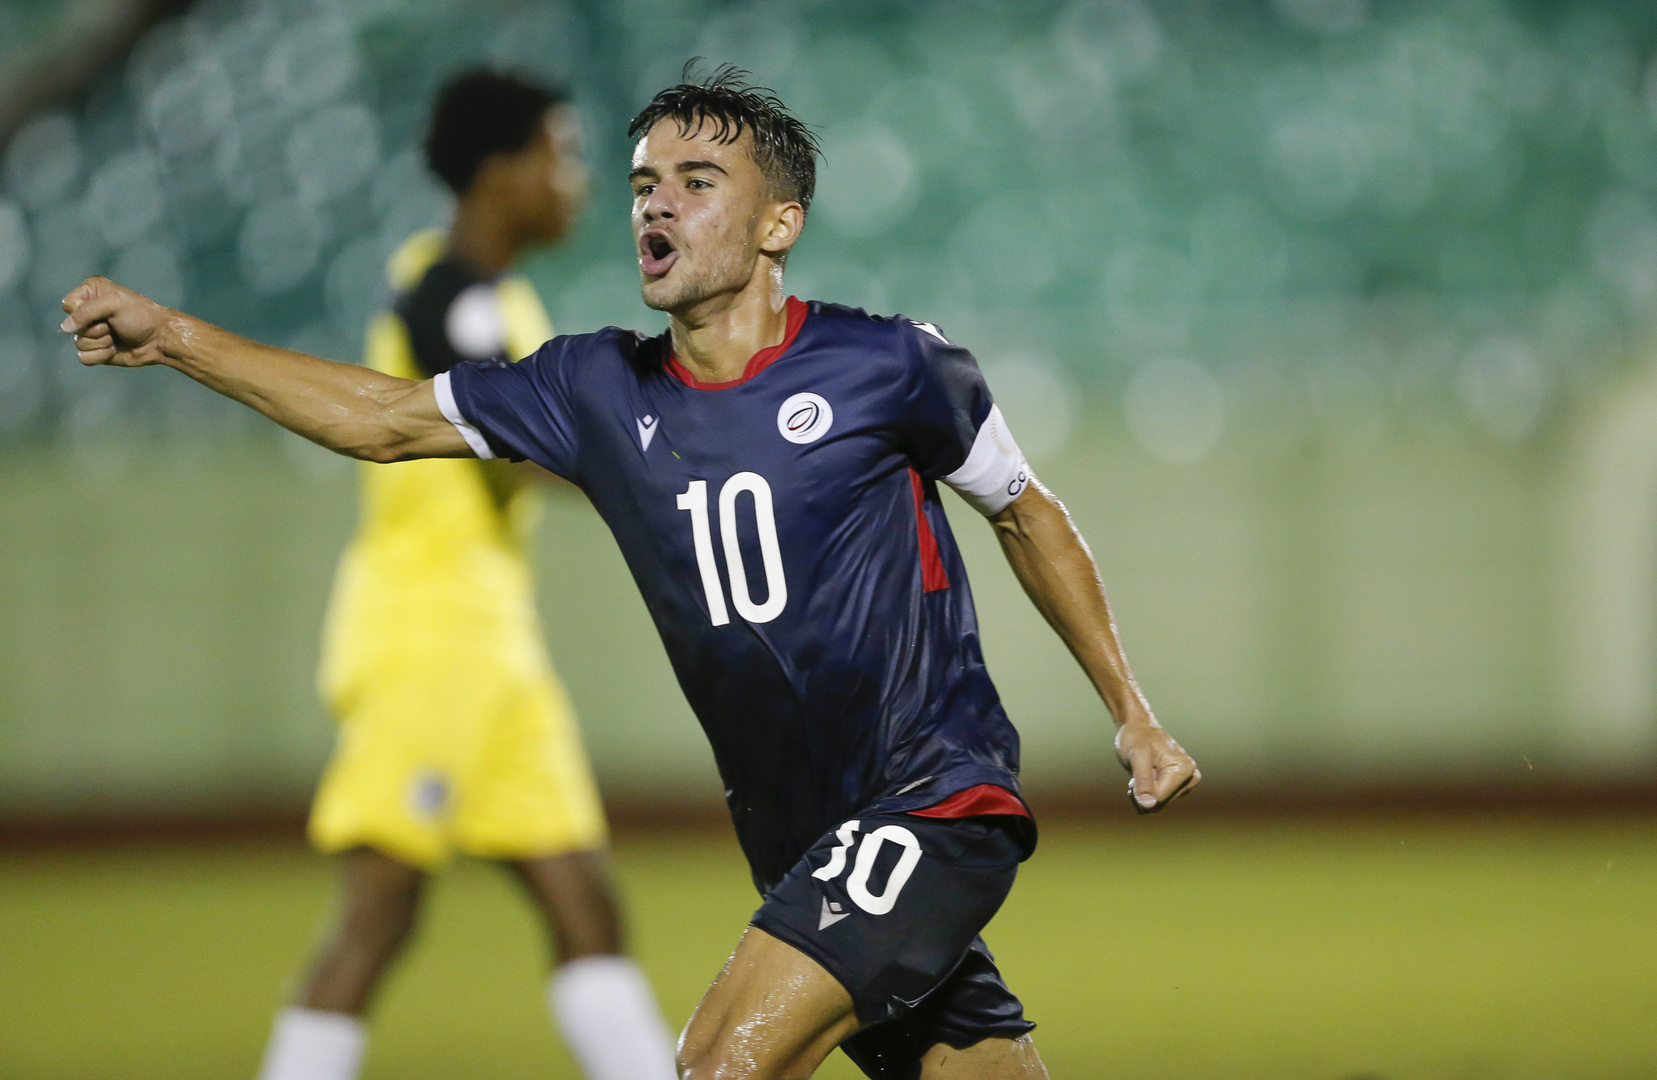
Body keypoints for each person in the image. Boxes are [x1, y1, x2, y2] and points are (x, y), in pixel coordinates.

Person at [61, 67, 1200, 1079]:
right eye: (645, 178)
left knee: (714, 1065)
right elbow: (385, 419)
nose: (654, 199)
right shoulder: (591, 389)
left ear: (777, 223)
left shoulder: (889, 363)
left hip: (934, 800)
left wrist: (1133, 716)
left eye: (697, 179)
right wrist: (176, 340)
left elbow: (1025, 512)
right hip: (804, 839)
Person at [254, 71, 678, 1080]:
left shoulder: (498, 300)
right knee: (380, 911)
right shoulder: (446, 288)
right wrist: (671, 471)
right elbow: (515, 445)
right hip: (427, 638)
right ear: (499, 173)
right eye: (560, 155)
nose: (578, 182)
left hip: (497, 651)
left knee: (585, 905)